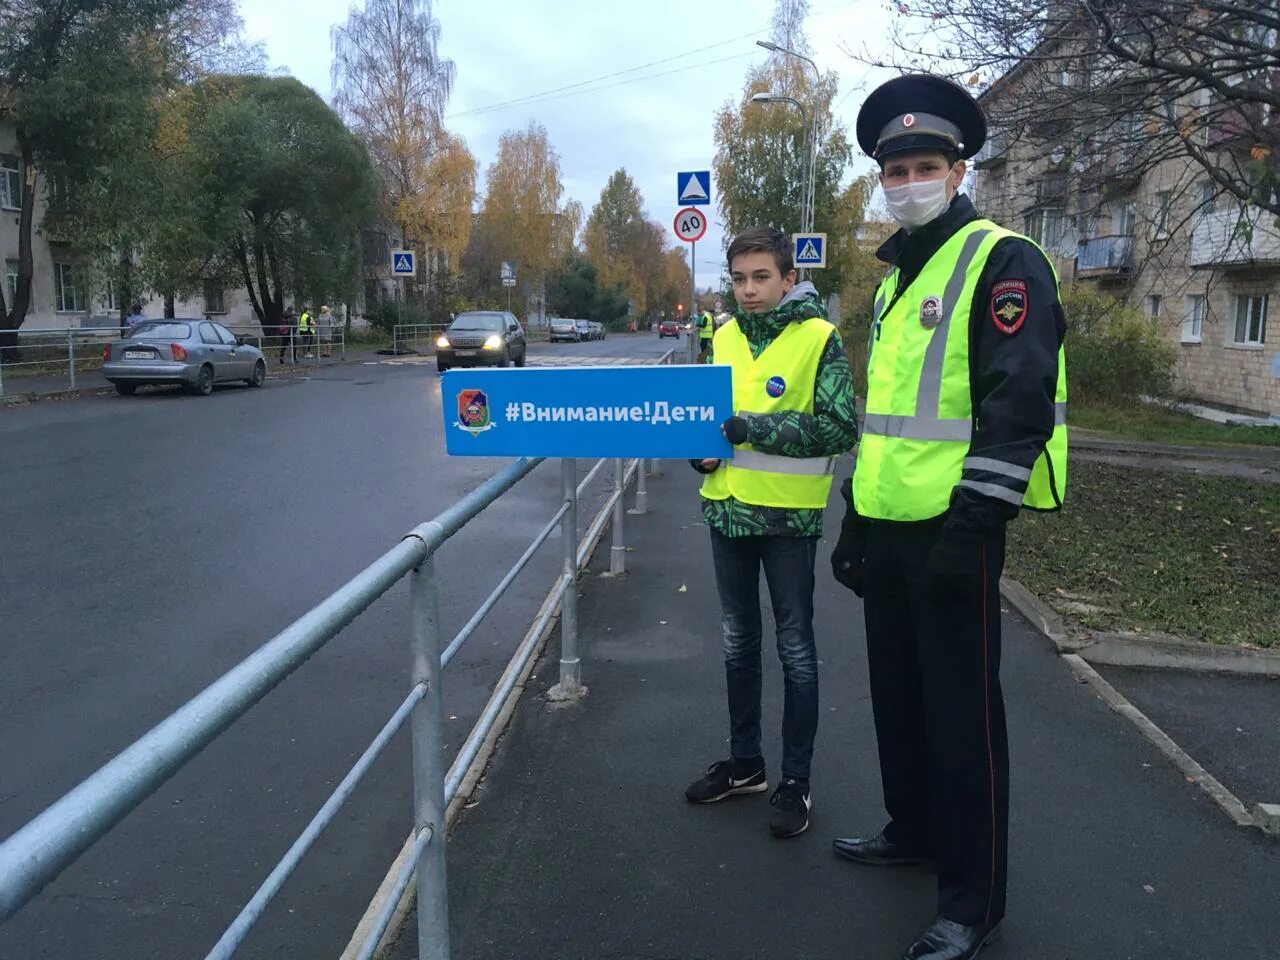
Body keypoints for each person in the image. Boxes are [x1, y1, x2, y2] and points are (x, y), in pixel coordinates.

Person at [829, 74, 1068, 960]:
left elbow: (1017, 411)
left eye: (924, 165)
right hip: (890, 529)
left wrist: (969, 533)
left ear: (959, 169)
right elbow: (885, 418)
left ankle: (973, 902)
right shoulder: (898, 280)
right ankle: (914, 830)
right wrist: (853, 518)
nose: (908, 180)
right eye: (894, 169)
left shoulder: (1003, 261)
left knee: (964, 723)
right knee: (899, 700)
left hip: (955, 534)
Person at [684, 225, 858, 839]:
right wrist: (701, 455)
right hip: (727, 510)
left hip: (788, 518)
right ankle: (747, 764)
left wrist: (754, 428)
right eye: (738, 279)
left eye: (761, 277)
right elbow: (706, 425)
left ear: (789, 279)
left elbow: (841, 428)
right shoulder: (724, 336)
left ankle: (796, 783)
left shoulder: (819, 337)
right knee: (737, 643)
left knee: (795, 649)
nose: (748, 290)